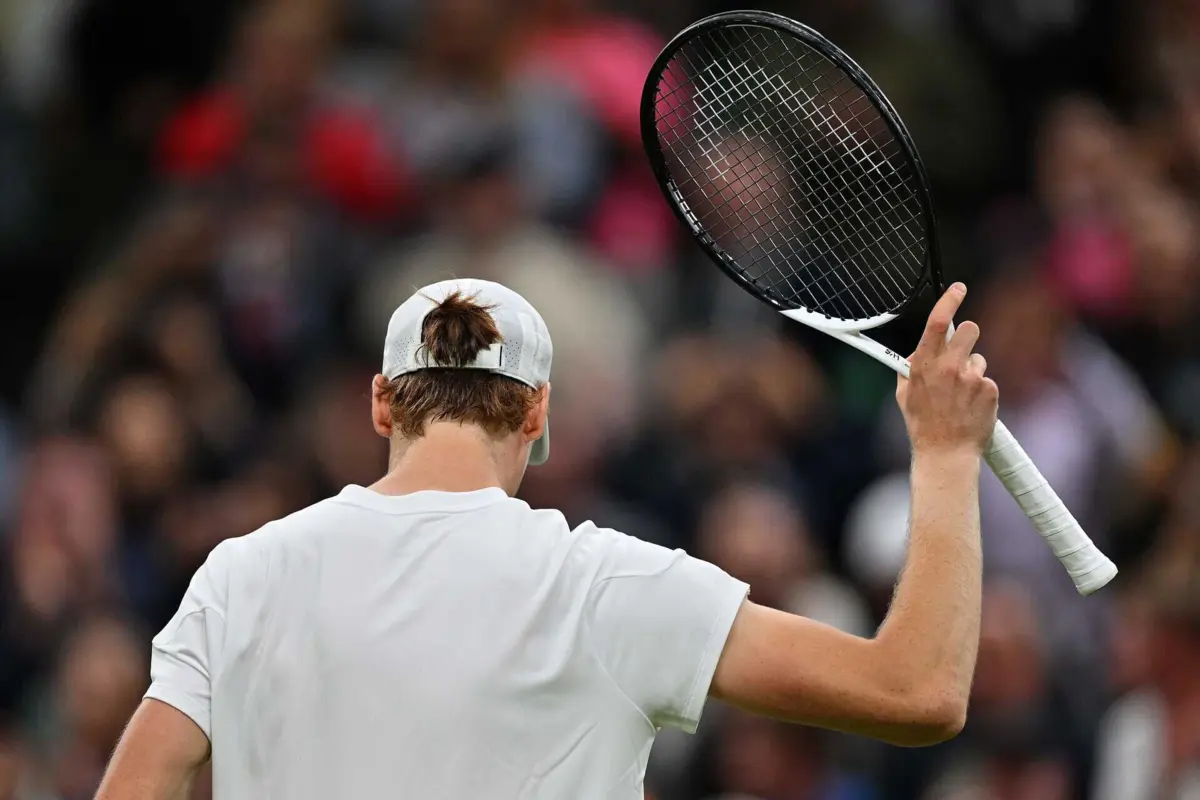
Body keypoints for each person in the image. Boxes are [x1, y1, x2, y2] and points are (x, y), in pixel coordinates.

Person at [95, 278, 998, 799]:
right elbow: (918, 691)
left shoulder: (243, 575)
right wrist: (947, 456)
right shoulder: (602, 587)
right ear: (537, 413)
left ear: (380, 402)